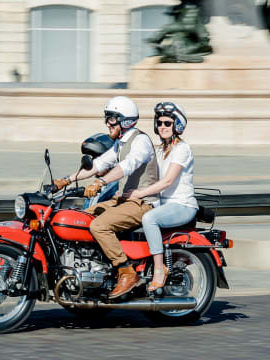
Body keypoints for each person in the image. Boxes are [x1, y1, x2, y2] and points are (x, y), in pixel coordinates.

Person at [53, 96, 158, 299]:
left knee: (99, 226)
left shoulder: (141, 141)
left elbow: (127, 165)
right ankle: (94, 270)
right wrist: (65, 180)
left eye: (111, 119)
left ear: (125, 121)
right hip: (124, 201)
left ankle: (126, 271)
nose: (107, 123)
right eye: (107, 118)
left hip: (143, 202)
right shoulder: (120, 144)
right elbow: (99, 165)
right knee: (81, 219)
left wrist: (100, 183)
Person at [123, 102, 198, 292]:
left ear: (177, 126)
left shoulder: (182, 149)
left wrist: (139, 194)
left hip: (182, 205)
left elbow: (167, 181)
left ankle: (159, 269)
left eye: (167, 123)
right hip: (163, 205)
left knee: (149, 218)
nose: (162, 127)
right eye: (160, 122)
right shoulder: (158, 150)